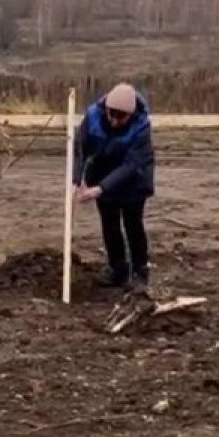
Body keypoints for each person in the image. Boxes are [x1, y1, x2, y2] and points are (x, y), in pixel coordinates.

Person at [73, 82, 155, 293]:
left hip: (133, 180)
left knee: (132, 223)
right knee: (109, 223)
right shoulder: (92, 116)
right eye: (111, 114)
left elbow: (132, 165)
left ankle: (139, 272)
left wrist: (100, 189)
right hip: (102, 173)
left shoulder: (141, 126)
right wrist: (77, 179)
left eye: (120, 117)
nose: (114, 121)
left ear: (130, 114)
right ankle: (117, 268)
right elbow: (80, 147)